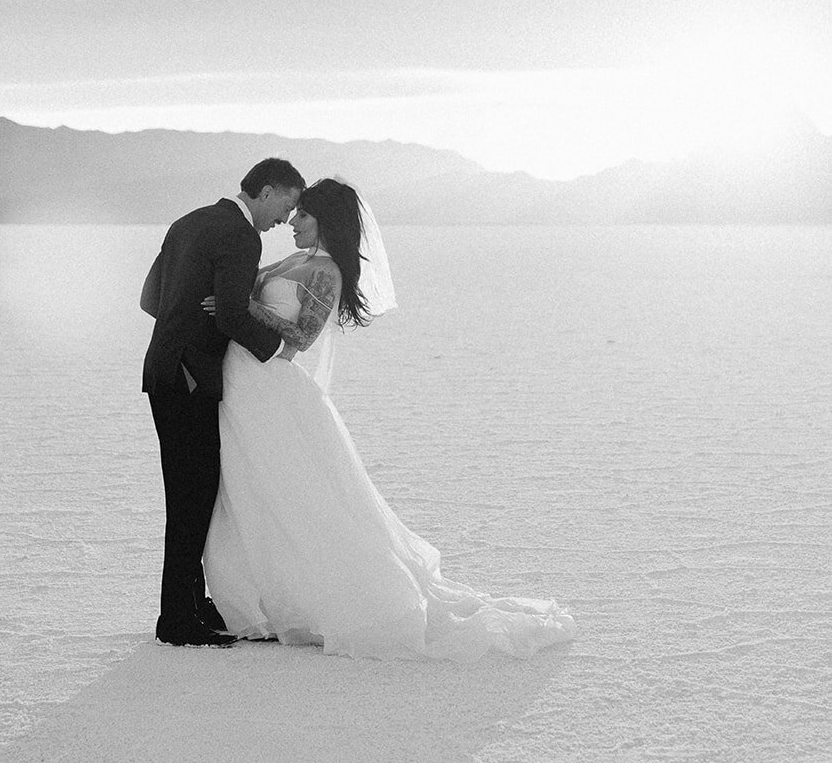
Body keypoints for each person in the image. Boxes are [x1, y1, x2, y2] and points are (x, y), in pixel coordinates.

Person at [201, 178, 577, 660]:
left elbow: (301, 338)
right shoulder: (291, 261)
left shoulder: (327, 273)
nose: (292, 221)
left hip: (269, 389)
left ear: (325, 221)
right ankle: (255, 600)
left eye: (304, 215)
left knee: (290, 493)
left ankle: (320, 600)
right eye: (293, 213)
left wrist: (243, 307)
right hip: (240, 385)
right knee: (247, 493)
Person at [140, 157, 305, 646]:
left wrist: (188, 312)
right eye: (287, 205)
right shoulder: (240, 235)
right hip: (190, 378)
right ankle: (176, 620)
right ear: (269, 190)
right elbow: (232, 316)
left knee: (190, 495)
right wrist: (281, 349)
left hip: (162, 370)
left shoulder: (187, 221)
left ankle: (191, 605)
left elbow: (151, 300)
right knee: (194, 498)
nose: (283, 219)